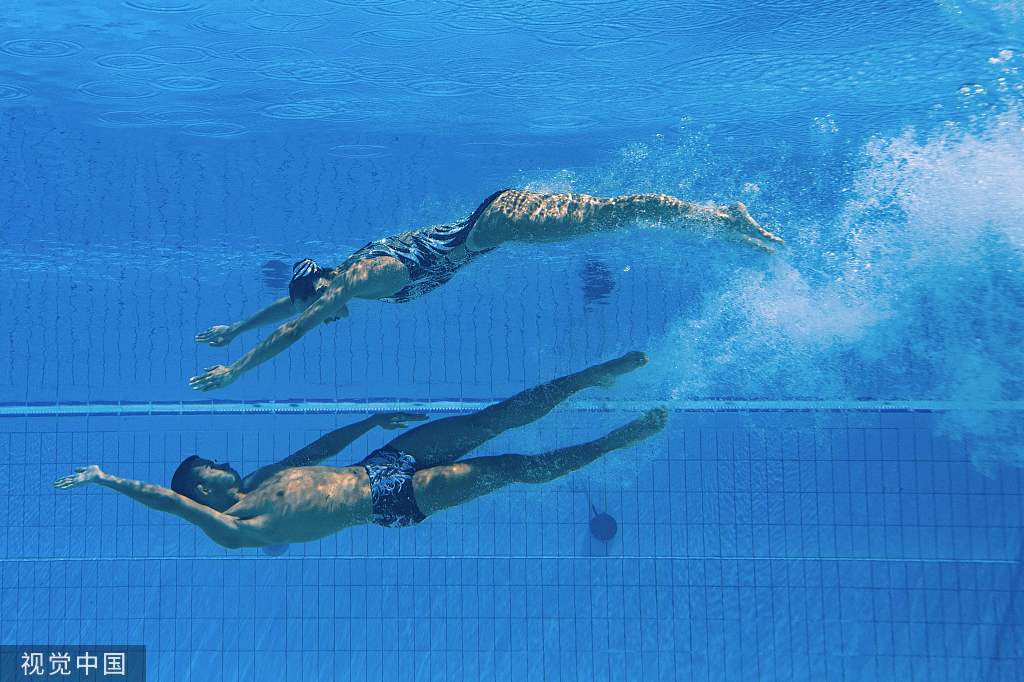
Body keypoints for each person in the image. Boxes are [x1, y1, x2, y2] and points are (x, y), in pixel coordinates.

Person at [189, 189, 781, 391]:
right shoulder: (344, 275)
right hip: (493, 224)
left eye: (316, 299)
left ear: (321, 288)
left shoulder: (357, 282)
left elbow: (297, 324)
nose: (322, 311)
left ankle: (719, 217)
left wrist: (238, 368)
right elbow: (292, 307)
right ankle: (715, 218)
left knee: (608, 216)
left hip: (495, 223)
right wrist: (236, 327)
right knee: (607, 214)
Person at [57, 353, 664, 548]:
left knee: (494, 418)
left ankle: (588, 380)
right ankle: (615, 440)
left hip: (383, 462)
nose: (220, 465)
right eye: (208, 469)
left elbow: (318, 447)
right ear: (202, 488)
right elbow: (166, 502)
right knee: (508, 468)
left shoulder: (266, 477)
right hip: (391, 501)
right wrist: (107, 479)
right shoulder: (233, 524)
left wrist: (370, 420)